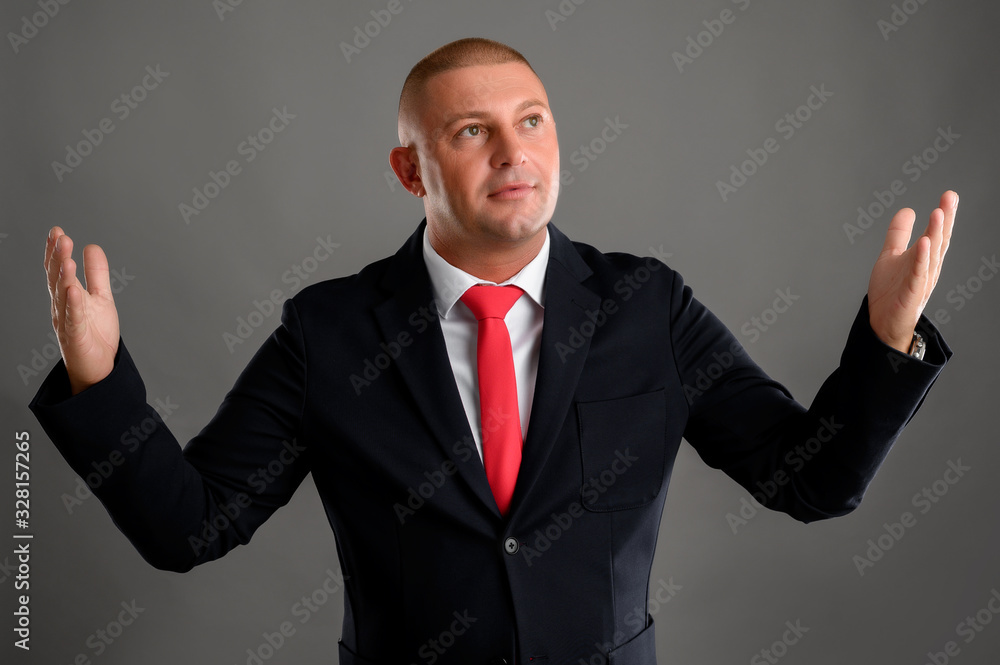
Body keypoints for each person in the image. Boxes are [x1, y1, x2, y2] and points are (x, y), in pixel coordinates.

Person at [30, 37, 956, 664]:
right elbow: (189, 527)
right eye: (473, 130)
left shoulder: (649, 306)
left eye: (533, 119)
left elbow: (810, 479)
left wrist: (887, 339)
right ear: (411, 170)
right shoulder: (328, 332)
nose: (515, 151)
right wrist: (95, 374)